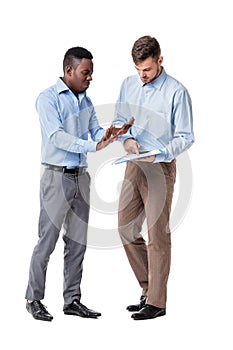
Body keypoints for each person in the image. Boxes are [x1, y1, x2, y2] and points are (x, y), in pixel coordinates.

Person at [25, 46, 114, 321]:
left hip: (81, 178)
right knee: (47, 241)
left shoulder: (85, 101)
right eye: (86, 73)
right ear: (69, 71)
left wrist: (111, 134)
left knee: (77, 242)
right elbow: (57, 137)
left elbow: (95, 131)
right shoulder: (48, 99)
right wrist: (92, 144)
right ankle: (34, 299)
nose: (90, 79)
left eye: (91, 74)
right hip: (56, 177)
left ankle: (72, 300)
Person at [113, 35, 194, 320]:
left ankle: (157, 303)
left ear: (160, 60)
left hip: (160, 166)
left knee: (157, 234)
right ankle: (149, 289)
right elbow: (117, 121)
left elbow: (186, 137)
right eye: (137, 70)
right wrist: (126, 140)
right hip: (133, 163)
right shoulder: (128, 84)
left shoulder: (176, 92)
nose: (142, 76)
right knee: (125, 228)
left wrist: (159, 153)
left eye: (146, 70)